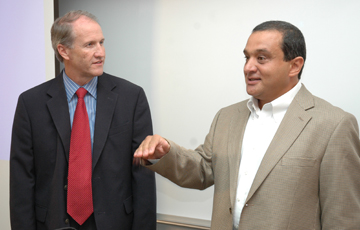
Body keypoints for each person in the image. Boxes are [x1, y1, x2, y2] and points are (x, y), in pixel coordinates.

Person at [134, 21, 360, 229]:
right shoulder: (227, 116)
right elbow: (204, 170)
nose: (248, 68)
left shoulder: (334, 125)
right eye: (247, 58)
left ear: (294, 66)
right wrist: (165, 153)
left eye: (261, 58)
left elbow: (342, 218)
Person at [10, 10, 156, 230]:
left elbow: (143, 177)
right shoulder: (31, 104)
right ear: (63, 50)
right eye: (89, 45)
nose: (101, 53)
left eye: (101, 43)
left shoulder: (131, 97)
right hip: (53, 223)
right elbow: (22, 182)